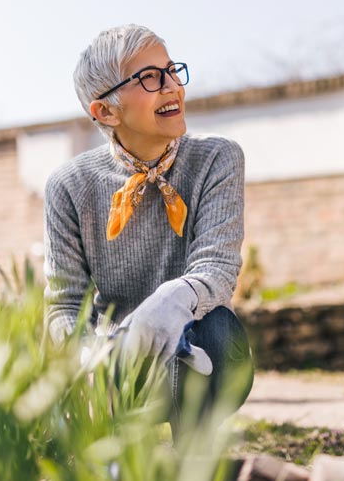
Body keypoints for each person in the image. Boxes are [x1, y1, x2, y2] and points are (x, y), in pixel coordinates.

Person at [43, 24, 253, 427]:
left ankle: (193, 456)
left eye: (172, 71)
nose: (172, 86)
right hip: (117, 367)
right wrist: (91, 356)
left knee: (217, 329)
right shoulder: (69, 186)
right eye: (151, 78)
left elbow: (217, 269)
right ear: (106, 110)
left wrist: (170, 303)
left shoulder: (217, 159)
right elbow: (65, 304)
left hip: (200, 355)